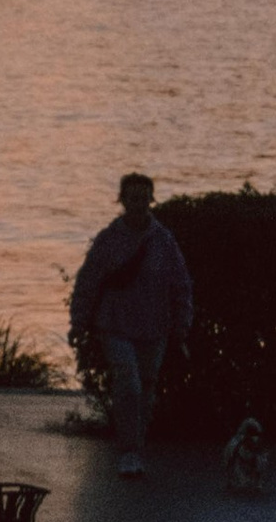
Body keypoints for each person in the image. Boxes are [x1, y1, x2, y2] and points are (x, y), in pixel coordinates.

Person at [67, 172, 195, 477]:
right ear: (122, 200)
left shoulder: (163, 241)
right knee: (129, 384)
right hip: (115, 325)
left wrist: (182, 323)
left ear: (150, 200)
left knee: (146, 390)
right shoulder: (109, 239)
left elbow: (181, 284)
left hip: (154, 328)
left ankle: (136, 446)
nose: (138, 204)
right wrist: (79, 322)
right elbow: (88, 281)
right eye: (132, 198)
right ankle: (128, 451)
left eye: (143, 198)